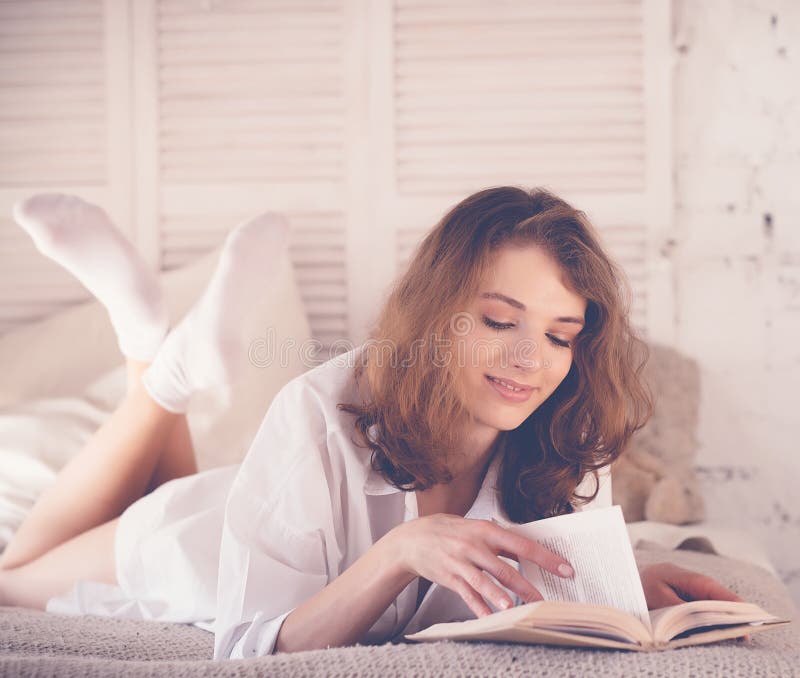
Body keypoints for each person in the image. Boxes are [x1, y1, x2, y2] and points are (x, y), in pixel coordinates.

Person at [0, 187, 743, 659]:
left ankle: (156, 351)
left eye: (559, 334)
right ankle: (158, 368)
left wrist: (623, 578)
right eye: (498, 320)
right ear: (436, 313)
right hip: (199, 538)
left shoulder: (568, 434)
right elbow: (254, 648)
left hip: (270, 504)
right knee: (11, 580)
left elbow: (530, 577)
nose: (530, 360)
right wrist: (399, 551)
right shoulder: (321, 411)